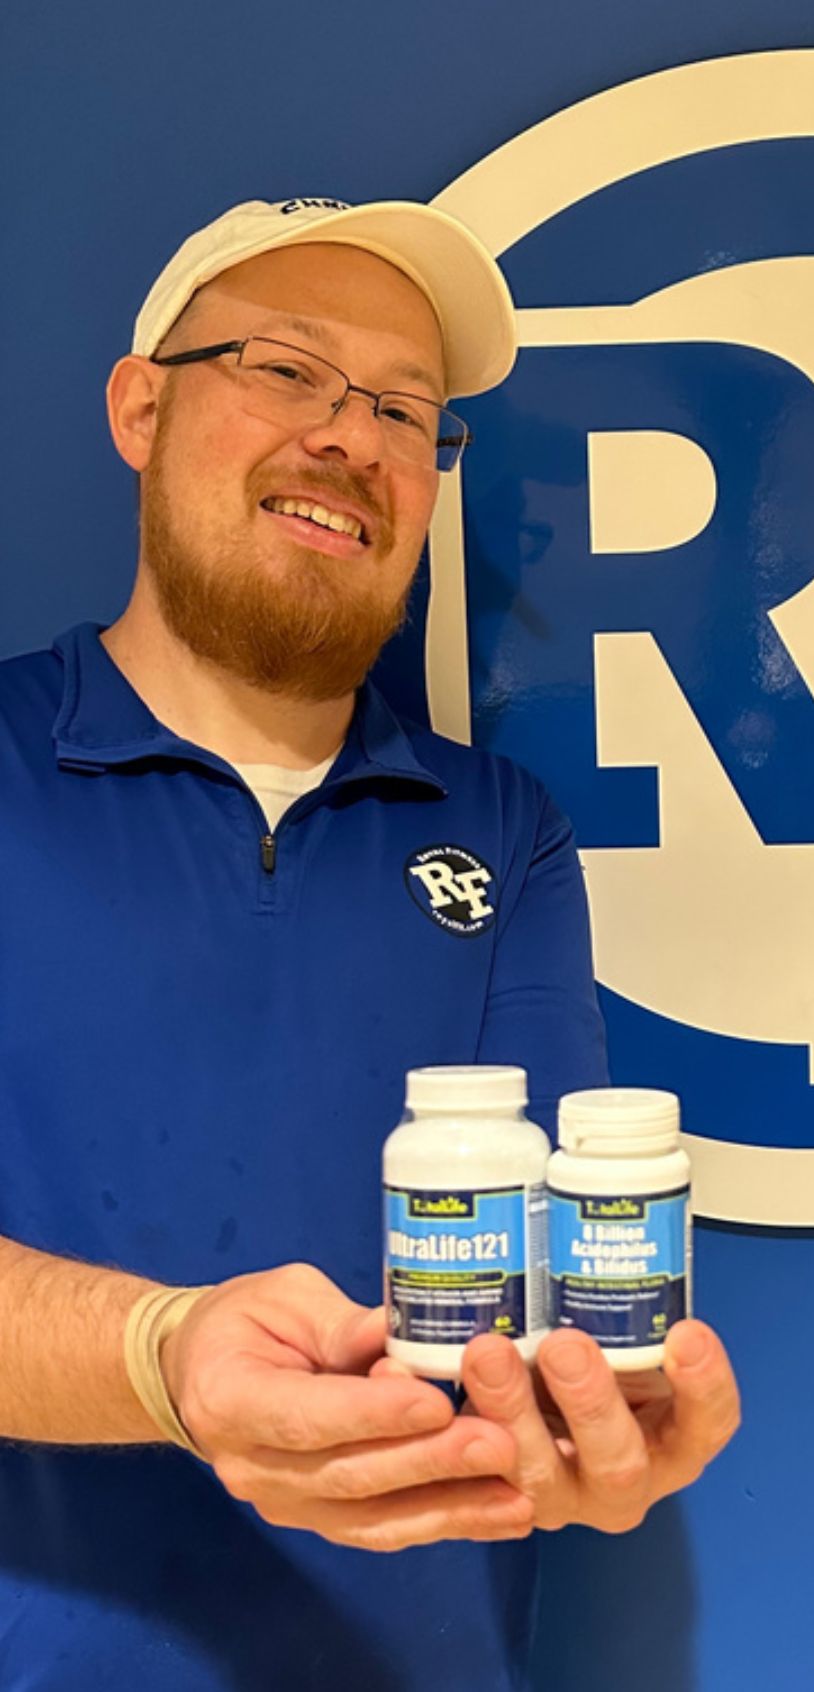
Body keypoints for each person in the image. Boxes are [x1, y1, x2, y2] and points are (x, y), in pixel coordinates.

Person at [0, 197, 740, 1691]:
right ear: (141, 405)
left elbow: (542, 1286)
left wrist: (602, 1420)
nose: (352, 438)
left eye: (407, 409)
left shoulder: (504, 828)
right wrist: (163, 1356)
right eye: (286, 370)